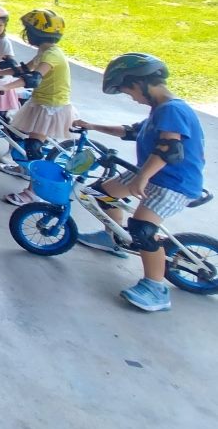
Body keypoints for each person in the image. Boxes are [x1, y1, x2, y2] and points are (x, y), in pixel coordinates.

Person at [72, 54, 206, 312]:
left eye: (127, 90)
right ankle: (113, 237)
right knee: (98, 194)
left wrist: (143, 176)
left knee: (142, 229)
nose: (130, 97)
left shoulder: (172, 109)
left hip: (174, 181)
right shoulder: (160, 109)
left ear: (140, 83)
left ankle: (156, 289)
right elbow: (131, 131)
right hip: (152, 173)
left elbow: (171, 149)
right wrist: (92, 125)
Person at [0, 9, 75, 205]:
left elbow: (35, 78)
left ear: (35, 33)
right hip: (39, 102)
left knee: (34, 147)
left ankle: (34, 193)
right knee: (16, 134)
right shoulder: (45, 51)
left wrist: (5, 86)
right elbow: (24, 70)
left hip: (51, 107)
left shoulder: (52, 55)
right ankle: (23, 169)